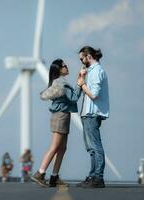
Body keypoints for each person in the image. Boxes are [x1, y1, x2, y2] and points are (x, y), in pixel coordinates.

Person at [31, 58, 85, 187]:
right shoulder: (61, 83)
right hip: (60, 116)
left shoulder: (57, 82)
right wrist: (79, 85)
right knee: (55, 147)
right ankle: (40, 173)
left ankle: (54, 177)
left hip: (63, 116)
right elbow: (73, 98)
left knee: (62, 148)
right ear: (59, 69)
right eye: (64, 65)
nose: (67, 67)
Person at [76, 46, 109, 188]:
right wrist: (82, 77)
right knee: (91, 148)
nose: (81, 62)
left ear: (88, 56)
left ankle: (98, 177)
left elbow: (94, 94)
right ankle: (93, 175)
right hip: (87, 113)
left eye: (82, 58)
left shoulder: (97, 71)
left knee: (95, 146)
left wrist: (82, 84)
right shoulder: (91, 71)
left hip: (92, 113)